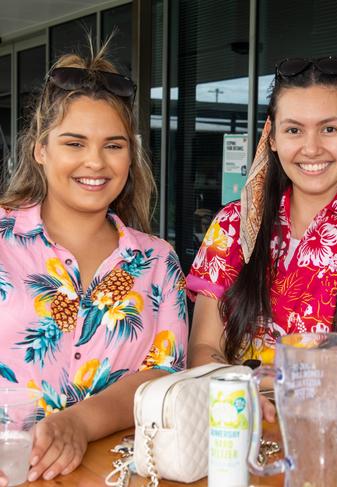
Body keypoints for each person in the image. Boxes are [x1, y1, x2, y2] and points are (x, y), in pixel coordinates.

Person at [0, 44, 188, 485]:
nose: (95, 162)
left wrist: (79, 424)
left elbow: (162, 377)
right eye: (74, 142)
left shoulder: (156, 260)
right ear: (40, 149)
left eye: (113, 145)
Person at [187, 56, 337, 368]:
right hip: (239, 412)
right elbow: (203, 349)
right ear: (271, 137)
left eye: (329, 128)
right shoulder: (232, 225)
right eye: (294, 130)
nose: (311, 148)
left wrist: (276, 383)